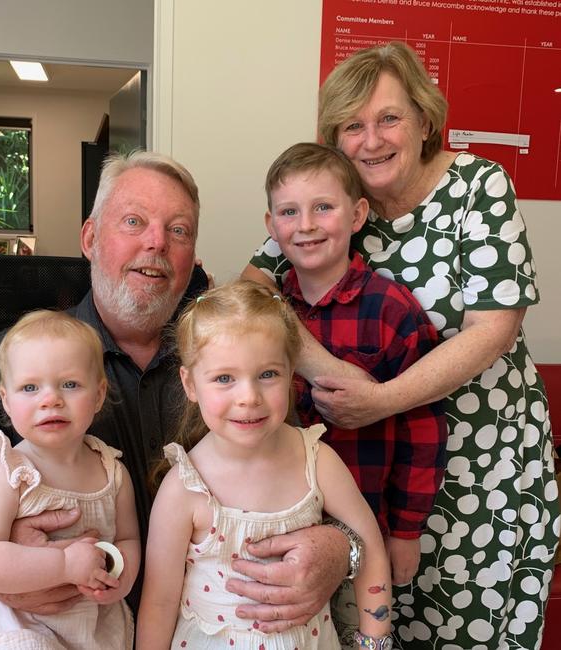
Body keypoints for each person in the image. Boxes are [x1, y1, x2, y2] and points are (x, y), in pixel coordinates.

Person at [0, 151, 352, 643]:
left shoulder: (234, 363)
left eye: (178, 230)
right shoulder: (14, 364)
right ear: (90, 238)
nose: (157, 243)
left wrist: (341, 547)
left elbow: (312, 478)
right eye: (134, 221)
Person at [244, 41, 560, 649]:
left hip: (480, 470)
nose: (371, 140)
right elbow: (254, 293)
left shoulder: (478, 185)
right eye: (352, 126)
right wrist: (331, 371)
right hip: (367, 477)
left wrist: (381, 398)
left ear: (423, 119)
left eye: (388, 118)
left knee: (474, 628)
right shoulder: (330, 203)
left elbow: (495, 327)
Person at [136, 280, 392, 650]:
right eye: (224, 378)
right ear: (190, 384)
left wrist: (374, 642)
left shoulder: (316, 460)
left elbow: (369, 547)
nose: (249, 397)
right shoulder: (186, 487)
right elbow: (159, 603)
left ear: (291, 373)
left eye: (268, 374)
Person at [263, 141, 447, 644]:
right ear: (271, 226)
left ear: (358, 213)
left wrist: (406, 532)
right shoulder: (265, 312)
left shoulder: (391, 309)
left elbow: (423, 426)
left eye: (323, 206)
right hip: (276, 527)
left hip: (362, 531)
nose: (306, 224)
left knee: (357, 635)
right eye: (289, 212)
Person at [0, 310, 140, 648]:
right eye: (30, 387)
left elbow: (127, 540)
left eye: (70, 384)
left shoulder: (112, 470)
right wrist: (64, 564)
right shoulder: (10, 473)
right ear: (6, 402)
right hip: (9, 621)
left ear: (98, 395)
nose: (50, 399)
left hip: (85, 619)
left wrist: (120, 579)